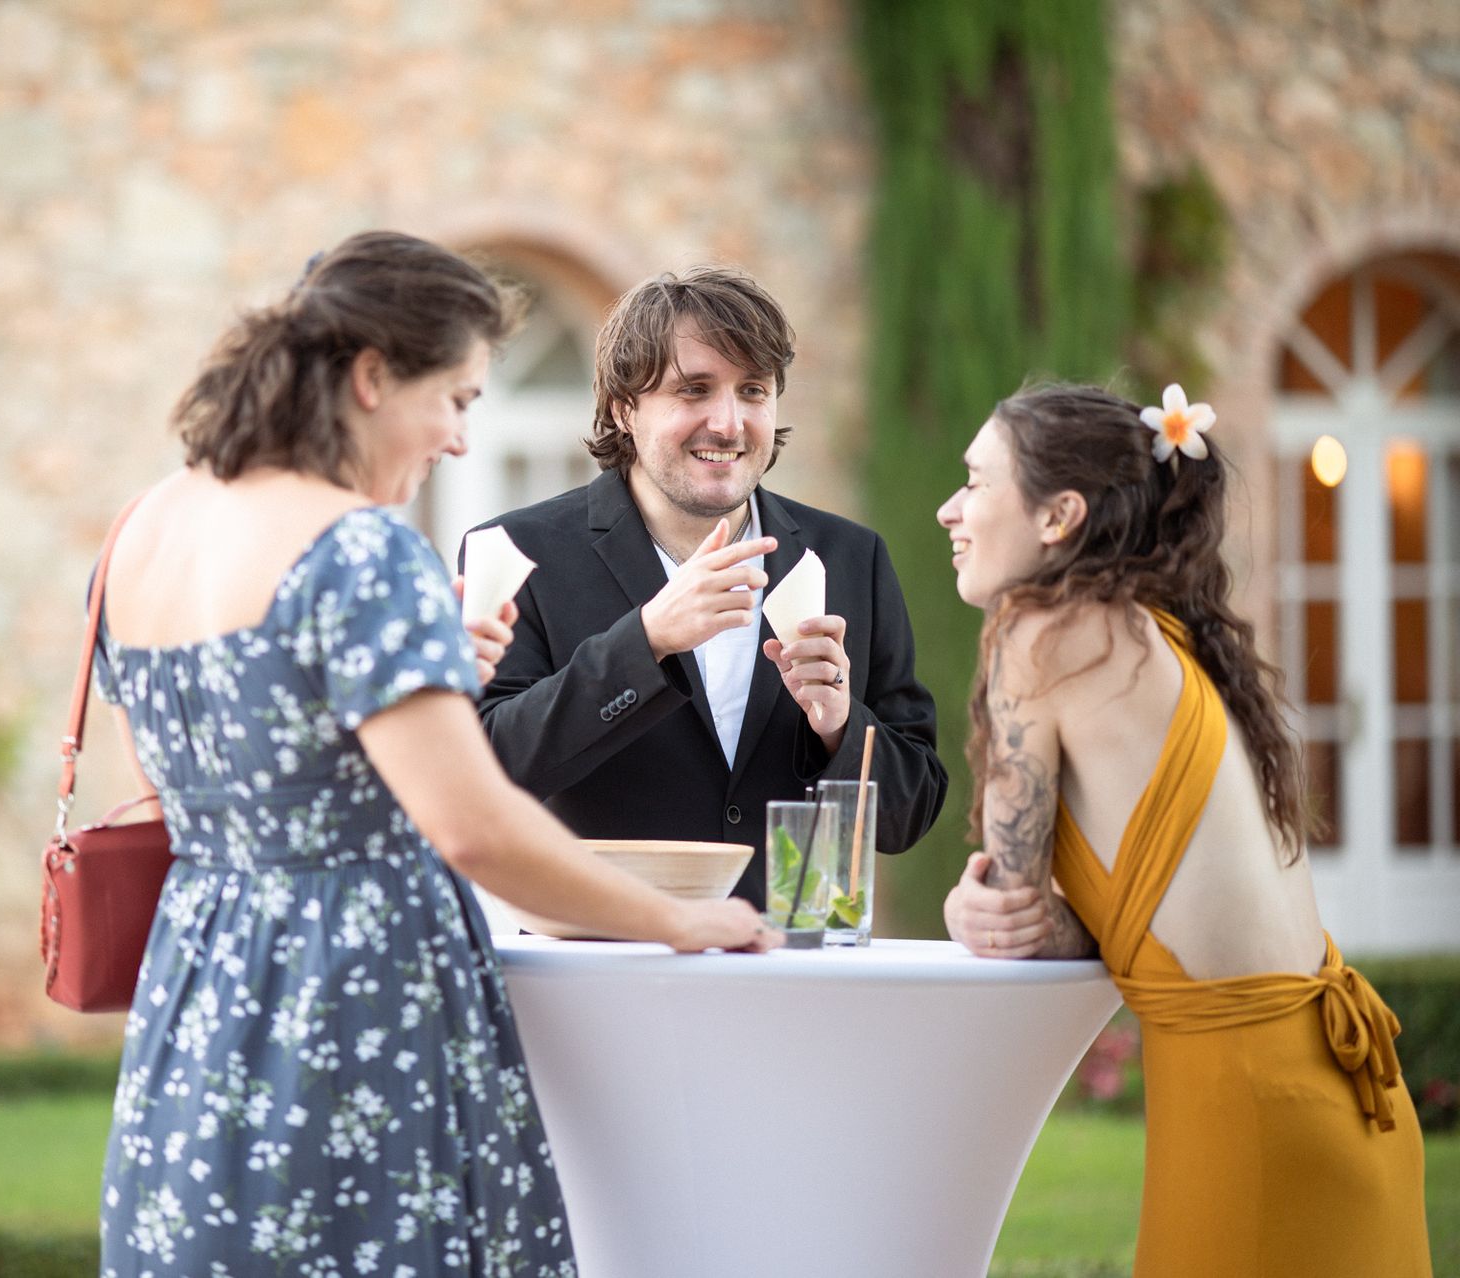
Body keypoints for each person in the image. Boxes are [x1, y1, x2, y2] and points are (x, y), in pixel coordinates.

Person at [87, 232, 779, 1276]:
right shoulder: (358, 548)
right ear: (371, 379)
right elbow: (470, 825)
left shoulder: (145, 524)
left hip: (205, 986)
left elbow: (192, 773)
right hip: (354, 1005)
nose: (461, 441)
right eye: (455, 400)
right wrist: (680, 919)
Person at [937, 383, 1431, 1277]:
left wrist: (974, 911)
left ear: (1060, 515)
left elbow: (1016, 914)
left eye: (974, 482)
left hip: (1247, 1115)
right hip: (1346, 1101)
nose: (949, 509)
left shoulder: (1040, 633)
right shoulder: (1162, 633)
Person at [467, 266, 945, 909]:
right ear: (623, 409)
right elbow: (485, 775)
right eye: (693, 390)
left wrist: (839, 728)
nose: (728, 422)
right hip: (602, 964)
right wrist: (645, 641)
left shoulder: (849, 558)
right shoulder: (520, 553)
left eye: (753, 390)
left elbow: (908, 815)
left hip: (792, 970)